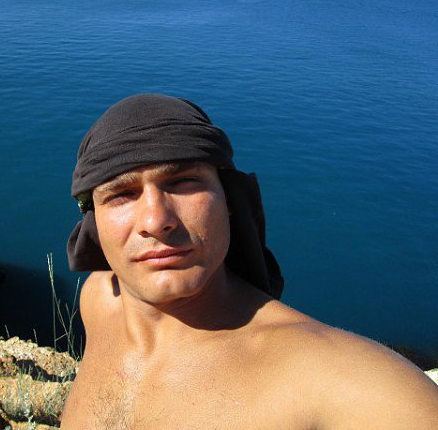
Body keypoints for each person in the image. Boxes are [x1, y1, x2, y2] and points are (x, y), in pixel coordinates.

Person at [60, 94, 438, 429]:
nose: (156, 220)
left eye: (184, 182)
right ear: (94, 221)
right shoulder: (100, 300)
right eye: (121, 195)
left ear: (230, 199)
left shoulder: (338, 382)